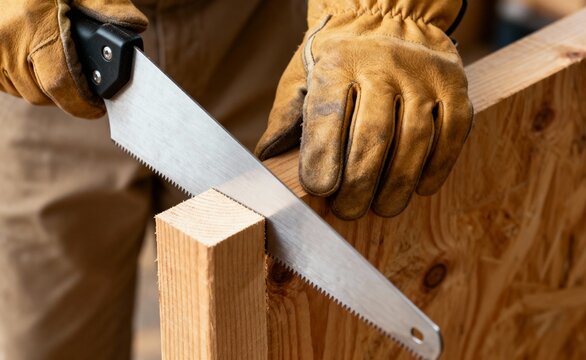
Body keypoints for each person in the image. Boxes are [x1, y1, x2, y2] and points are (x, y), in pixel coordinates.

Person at [0, 0, 472, 358]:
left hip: (252, 32)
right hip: (51, 52)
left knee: (266, 326)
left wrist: (381, 17)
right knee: (50, 338)